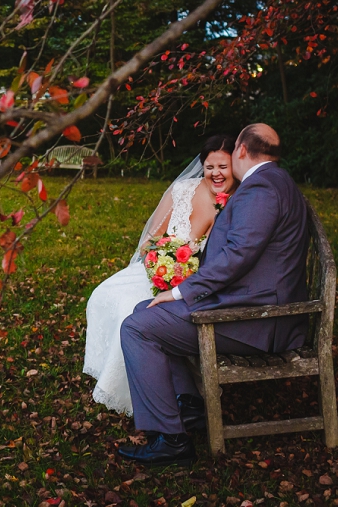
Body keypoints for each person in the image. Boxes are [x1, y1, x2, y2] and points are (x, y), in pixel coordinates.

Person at [117, 124, 310, 467]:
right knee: (144, 310)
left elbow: (238, 256)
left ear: (240, 151)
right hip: (259, 306)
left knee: (137, 327)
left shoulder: (261, 189)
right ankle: (190, 406)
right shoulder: (277, 182)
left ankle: (171, 440)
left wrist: (180, 291)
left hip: (256, 320)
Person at [83, 135, 238, 415]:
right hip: (158, 270)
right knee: (104, 295)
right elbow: (151, 237)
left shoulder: (234, 203)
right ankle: (134, 387)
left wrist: (185, 271)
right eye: (210, 166)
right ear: (202, 167)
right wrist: (160, 259)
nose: (216, 173)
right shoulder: (182, 190)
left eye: (223, 167)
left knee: (132, 313)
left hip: (193, 283)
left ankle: (165, 399)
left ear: (235, 167)